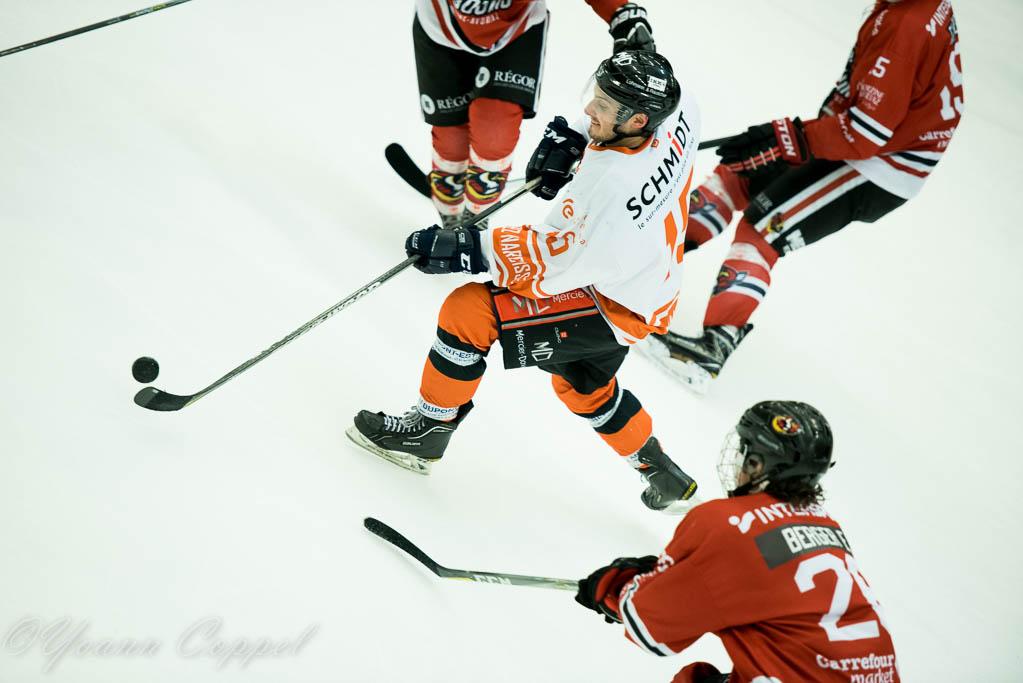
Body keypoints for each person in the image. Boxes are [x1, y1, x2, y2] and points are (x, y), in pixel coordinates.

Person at [348, 50, 702, 511]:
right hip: (647, 283)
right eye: (594, 97)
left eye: (601, 107)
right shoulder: (679, 110)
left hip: (611, 299)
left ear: (637, 120)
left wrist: (471, 248)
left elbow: (552, 264)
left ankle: (428, 432)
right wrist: (576, 136)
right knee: (583, 385)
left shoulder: (613, 191)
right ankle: (660, 471)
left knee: (469, 312)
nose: (590, 108)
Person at [637, 0, 963, 392]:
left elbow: (866, 132)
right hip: (863, 141)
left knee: (762, 230)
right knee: (738, 174)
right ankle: (640, 260)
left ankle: (710, 350)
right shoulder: (917, 9)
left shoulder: (905, 25)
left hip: (878, 165)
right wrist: (791, 139)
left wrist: (791, 138)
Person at [575, 401, 899, 682]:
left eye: (745, 454)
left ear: (758, 465)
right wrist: (677, 577)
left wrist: (614, 588)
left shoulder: (727, 523)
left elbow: (648, 626)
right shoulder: (824, 526)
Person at [413, 0, 656, 228]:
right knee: (451, 140)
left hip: (516, 30)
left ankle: (475, 220)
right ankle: (449, 205)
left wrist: (620, 13)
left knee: (494, 133)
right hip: (440, 27)